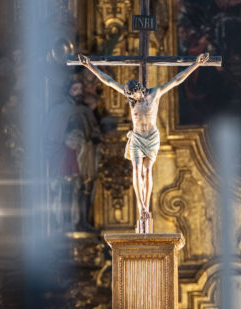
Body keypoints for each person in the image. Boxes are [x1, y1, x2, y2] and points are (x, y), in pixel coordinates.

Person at [79, 52, 209, 232]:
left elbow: (177, 80)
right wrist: (89, 67)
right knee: (137, 168)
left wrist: (196, 64)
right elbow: (108, 81)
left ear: (141, 89)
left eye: (136, 95)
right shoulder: (131, 99)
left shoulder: (154, 94)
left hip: (152, 138)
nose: (134, 99)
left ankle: (146, 205)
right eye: (131, 96)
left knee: (147, 171)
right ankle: (141, 207)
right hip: (137, 139)